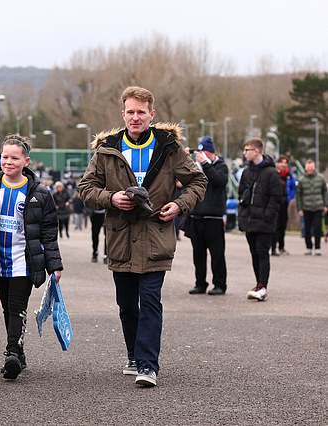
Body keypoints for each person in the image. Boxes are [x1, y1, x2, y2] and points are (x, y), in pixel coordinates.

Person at [78, 86, 206, 387]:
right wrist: (112, 198)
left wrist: (179, 204)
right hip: (121, 239)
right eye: (130, 112)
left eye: (141, 112)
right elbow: (85, 189)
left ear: (152, 114)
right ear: (123, 114)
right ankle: (134, 354)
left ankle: (148, 365)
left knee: (150, 301)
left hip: (156, 236)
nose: (136, 117)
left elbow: (198, 181)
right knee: (126, 304)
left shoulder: (170, 149)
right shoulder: (107, 149)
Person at [0, 134, 64, 381]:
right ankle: (19, 348)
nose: (8, 161)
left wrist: (54, 265)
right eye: (5, 156)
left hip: (24, 261)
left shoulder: (40, 193)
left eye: (14, 157)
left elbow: (49, 232)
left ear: (26, 161)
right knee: (7, 308)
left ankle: (12, 352)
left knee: (17, 306)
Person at [184, 136, 229, 296]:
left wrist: (205, 164)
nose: (201, 155)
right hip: (197, 217)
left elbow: (219, 181)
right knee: (198, 254)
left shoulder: (221, 166)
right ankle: (200, 283)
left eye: (204, 152)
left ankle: (220, 284)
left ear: (211, 152)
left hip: (214, 218)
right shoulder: (196, 167)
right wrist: (187, 159)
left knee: (217, 254)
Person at [237, 138, 281, 302]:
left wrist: (267, 215)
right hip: (249, 221)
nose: (244, 153)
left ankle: (263, 287)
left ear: (257, 151)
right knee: (254, 253)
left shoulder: (271, 173)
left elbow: (277, 197)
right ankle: (258, 284)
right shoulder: (246, 172)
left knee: (263, 253)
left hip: (264, 222)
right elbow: (241, 193)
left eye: (247, 150)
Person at [296, 160, 327, 256]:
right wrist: (299, 208)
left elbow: (325, 193)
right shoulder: (301, 180)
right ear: (305, 168)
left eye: (311, 168)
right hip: (306, 208)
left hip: (318, 207)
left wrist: (325, 205)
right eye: (308, 168)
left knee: (318, 228)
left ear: (314, 168)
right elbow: (298, 196)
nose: (310, 169)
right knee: (307, 229)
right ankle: (309, 247)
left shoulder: (321, 178)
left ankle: (317, 247)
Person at [271, 156, 296, 256]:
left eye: (285, 163)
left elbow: (293, 187)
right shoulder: (273, 173)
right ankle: (273, 248)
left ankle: (281, 246)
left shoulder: (289, 175)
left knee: (282, 225)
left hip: (284, 202)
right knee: (275, 225)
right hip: (274, 203)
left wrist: (289, 198)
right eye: (281, 162)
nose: (283, 164)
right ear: (277, 163)